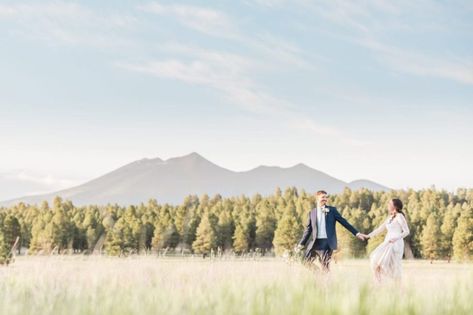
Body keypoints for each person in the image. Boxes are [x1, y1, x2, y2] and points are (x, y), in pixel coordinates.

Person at [296, 190, 365, 271]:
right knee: (305, 261)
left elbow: (344, 222)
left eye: (326, 197)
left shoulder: (332, 210)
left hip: (327, 243)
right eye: (323, 197)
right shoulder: (312, 212)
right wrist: (301, 244)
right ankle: (318, 274)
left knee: (324, 266)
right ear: (317, 198)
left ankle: (325, 281)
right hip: (314, 243)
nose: (325, 199)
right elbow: (308, 230)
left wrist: (357, 233)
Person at [359, 199, 410, 282]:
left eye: (390, 204)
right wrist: (368, 236)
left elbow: (407, 231)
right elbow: (380, 229)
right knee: (376, 262)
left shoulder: (399, 216)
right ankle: (379, 286)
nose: (388, 205)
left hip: (395, 244)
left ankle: (399, 289)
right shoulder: (390, 217)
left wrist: (396, 238)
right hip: (387, 242)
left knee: (394, 267)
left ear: (395, 206)